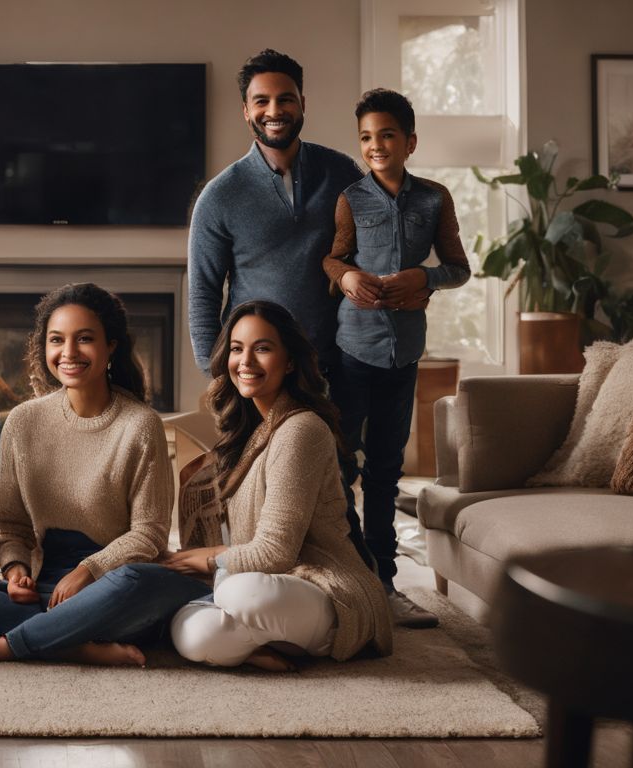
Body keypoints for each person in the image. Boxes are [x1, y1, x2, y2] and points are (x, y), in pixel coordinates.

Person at [0, 283, 211, 668]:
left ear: (111, 346)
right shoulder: (22, 422)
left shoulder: (140, 425)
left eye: (84, 339)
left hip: (112, 580)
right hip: (50, 585)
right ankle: (77, 644)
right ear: (44, 347)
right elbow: (13, 526)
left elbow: (149, 533)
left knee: (138, 581)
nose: (68, 353)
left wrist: (89, 571)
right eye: (57, 340)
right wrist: (17, 571)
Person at [186, 48, 393, 597]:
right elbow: (205, 290)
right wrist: (220, 371)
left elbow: (367, 252)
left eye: (285, 99)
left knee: (340, 476)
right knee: (261, 483)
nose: (274, 109)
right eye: (262, 101)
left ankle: (373, 586)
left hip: (341, 355)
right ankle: (284, 580)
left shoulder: (342, 174)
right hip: (263, 366)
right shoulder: (220, 195)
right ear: (246, 111)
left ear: (303, 103)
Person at [166, 300, 393, 670]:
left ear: (289, 362)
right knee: (194, 634)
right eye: (237, 349)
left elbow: (275, 554)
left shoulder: (301, 429)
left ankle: (263, 635)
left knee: (242, 593)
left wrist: (205, 559)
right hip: (271, 587)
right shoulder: (244, 433)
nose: (246, 362)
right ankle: (265, 645)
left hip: (325, 588)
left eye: (263, 349)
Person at [322, 88, 471, 627]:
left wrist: (425, 279)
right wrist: (349, 276)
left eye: (387, 135)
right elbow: (332, 259)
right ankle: (343, 573)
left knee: (387, 470)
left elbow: (459, 267)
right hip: (351, 350)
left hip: (403, 354)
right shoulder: (351, 199)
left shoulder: (434, 199)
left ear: (409, 141)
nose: (376, 145)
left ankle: (384, 581)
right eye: (366, 137)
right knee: (340, 467)